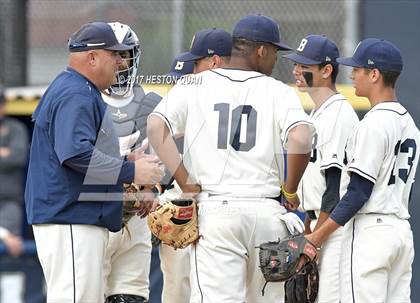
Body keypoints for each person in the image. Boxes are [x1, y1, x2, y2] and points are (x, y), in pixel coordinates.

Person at [148, 15, 313, 302]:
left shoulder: (196, 83)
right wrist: (290, 189)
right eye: (275, 51)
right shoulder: (277, 90)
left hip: (217, 214)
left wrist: (185, 182)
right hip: (267, 214)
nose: (276, 59)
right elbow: (301, 138)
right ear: (260, 50)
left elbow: (155, 126)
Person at [24, 21, 164, 303]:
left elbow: (77, 153)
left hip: (73, 218)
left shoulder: (78, 89)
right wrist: (131, 170)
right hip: (70, 219)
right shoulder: (75, 92)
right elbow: (75, 154)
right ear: (92, 57)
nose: (121, 63)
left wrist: (126, 163)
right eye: (115, 55)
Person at [306, 38, 420, 303]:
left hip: (372, 234)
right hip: (401, 231)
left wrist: (316, 237)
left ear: (375, 74)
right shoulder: (410, 125)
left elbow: (358, 193)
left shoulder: (374, 123)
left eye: (357, 69)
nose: (352, 75)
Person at [283, 34, 359, 302]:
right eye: (296, 64)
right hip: (319, 224)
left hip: (334, 233)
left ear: (327, 70)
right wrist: (307, 230)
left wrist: (314, 240)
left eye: (305, 66)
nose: (296, 70)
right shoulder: (318, 113)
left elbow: (334, 190)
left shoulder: (339, 115)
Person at [159, 28, 232, 303]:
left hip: (218, 207)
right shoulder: (172, 115)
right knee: (177, 288)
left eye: (187, 79)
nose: (181, 86)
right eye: (177, 82)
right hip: (182, 208)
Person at [101, 22, 163, 303]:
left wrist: (154, 187)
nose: (118, 61)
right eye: (112, 53)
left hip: (136, 217)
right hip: (95, 215)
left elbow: (166, 160)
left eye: (124, 54)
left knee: (132, 295)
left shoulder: (151, 102)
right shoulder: (84, 99)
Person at [0, 85, 28, 257]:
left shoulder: (15, 127)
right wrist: (4, 152)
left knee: (11, 251)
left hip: (9, 203)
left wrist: (9, 155)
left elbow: (18, 157)